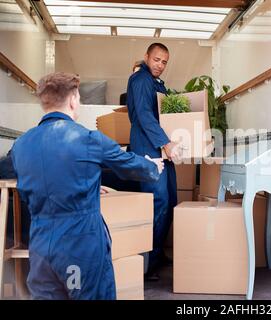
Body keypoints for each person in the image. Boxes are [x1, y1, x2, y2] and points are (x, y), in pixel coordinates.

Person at [10, 72, 165, 300]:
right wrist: (152, 166)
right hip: (79, 246)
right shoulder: (87, 138)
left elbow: (49, 174)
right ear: (73, 100)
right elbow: (129, 164)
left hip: (41, 248)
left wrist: (88, 183)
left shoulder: (21, 145)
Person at [126, 43, 180, 280]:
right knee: (157, 202)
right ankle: (146, 264)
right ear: (147, 57)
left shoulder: (156, 83)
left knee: (169, 199)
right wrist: (166, 143)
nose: (160, 65)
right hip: (148, 148)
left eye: (164, 62)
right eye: (156, 59)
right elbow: (146, 116)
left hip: (161, 149)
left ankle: (156, 255)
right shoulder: (140, 80)